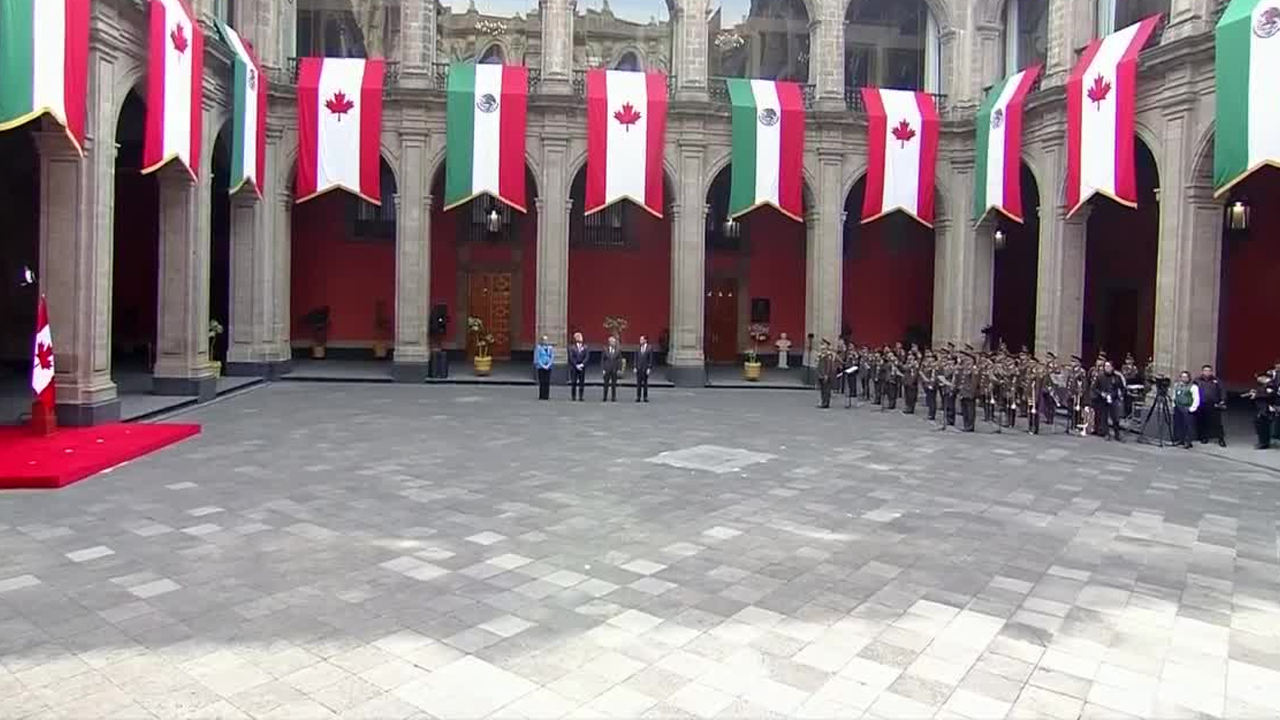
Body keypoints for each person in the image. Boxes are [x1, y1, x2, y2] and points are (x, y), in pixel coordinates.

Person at [1093, 360, 1127, 441]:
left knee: (1115, 418)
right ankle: (1106, 433)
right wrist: (1101, 393)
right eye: (1105, 366)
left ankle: (1117, 434)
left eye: (1108, 366)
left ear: (1112, 367)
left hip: (1114, 399)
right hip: (1103, 400)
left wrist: (1120, 395)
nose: (1107, 368)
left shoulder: (1117, 377)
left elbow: (1122, 388)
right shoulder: (1100, 377)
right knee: (1104, 417)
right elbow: (1095, 388)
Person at [1194, 365, 1227, 447]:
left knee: (1217, 422)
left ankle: (1221, 438)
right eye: (1205, 370)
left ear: (1211, 372)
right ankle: (1204, 437)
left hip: (1214, 403)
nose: (1207, 372)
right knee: (1203, 421)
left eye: (1209, 371)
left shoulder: (1216, 380)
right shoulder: (1197, 380)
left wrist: (1223, 400)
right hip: (1202, 403)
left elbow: (1222, 390)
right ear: (1202, 371)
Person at [1246, 371, 1278, 449]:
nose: (1258, 380)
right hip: (1262, 408)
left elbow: (1269, 395)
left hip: (1266, 409)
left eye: (1259, 378)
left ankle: (1264, 443)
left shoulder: (1270, 385)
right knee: (1260, 425)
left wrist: (1256, 395)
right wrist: (1255, 392)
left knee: (1263, 426)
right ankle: (1263, 442)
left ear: (1264, 377)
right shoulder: (1265, 385)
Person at [1171, 370, 1200, 449]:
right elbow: (1174, 395)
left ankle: (1188, 441)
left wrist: (1192, 408)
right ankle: (1180, 439)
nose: (1184, 378)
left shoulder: (1193, 387)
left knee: (1188, 425)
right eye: (1182, 377)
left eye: (1186, 377)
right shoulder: (1177, 385)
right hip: (1178, 407)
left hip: (1187, 407)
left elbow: (1196, 398)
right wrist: (1173, 404)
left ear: (1189, 378)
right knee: (1179, 424)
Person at [816, 339, 837, 409]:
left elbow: (828, 366)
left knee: (826, 389)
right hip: (821, 374)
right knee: (822, 389)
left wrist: (826, 374)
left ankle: (826, 403)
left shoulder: (828, 355)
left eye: (823, 344)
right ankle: (823, 402)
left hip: (825, 374)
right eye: (821, 344)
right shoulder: (821, 355)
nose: (822, 347)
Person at [568, 332, 588, 401]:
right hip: (574, 367)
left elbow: (587, 357)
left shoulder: (585, 347)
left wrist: (582, 364)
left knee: (581, 382)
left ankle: (581, 396)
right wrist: (576, 365)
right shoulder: (572, 347)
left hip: (582, 367)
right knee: (573, 382)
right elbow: (571, 357)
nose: (581, 338)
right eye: (579, 337)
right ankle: (573, 396)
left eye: (581, 337)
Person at [534, 335, 555, 400]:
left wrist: (548, 365)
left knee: (547, 381)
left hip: (548, 367)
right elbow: (538, 358)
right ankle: (541, 395)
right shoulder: (538, 348)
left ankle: (546, 395)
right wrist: (543, 365)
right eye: (544, 340)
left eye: (546, 340)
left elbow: (552, 357)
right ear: (542, 341)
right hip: (541, 367)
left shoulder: (550, 348)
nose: (545, 341)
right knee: (542, 381)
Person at [601, 336, 621, 402]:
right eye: (613, 342)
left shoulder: (618, 350)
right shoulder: (605, 349)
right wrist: (603, 369)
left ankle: (613, 397)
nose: (614, 343)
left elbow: (619, 360)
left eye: (614, 342)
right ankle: (604, 397)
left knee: (614, 384)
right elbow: (602, 360)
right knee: (606, 384)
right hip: (607, 369)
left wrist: (619, 369)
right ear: (609, 342)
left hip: (614, 369)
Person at [634, 335, 653, 403]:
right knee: (638, 384)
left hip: (645, 368)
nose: (640, 341)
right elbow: (635, 358)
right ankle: (638, 397)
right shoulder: (637, 348)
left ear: (645, 340)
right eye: (640, 340)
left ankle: (645, 397)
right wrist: (635, 367)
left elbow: (650, 359)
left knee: (645, 384)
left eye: (642, 340)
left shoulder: (649, 348)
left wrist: (649, 368)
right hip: (639, 368)